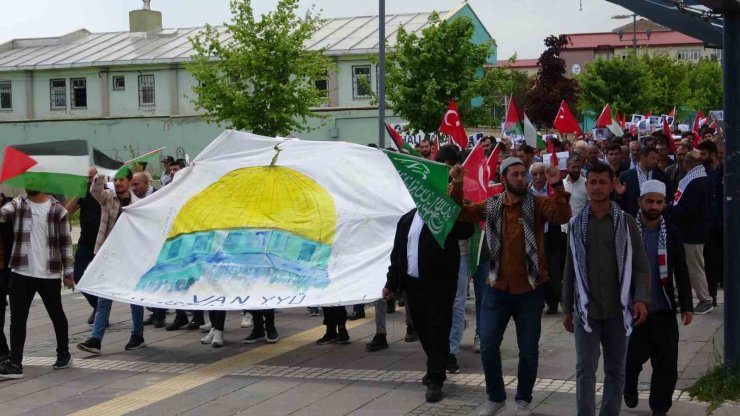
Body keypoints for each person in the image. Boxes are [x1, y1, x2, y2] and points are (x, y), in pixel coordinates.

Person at [449, 157, 571, 415]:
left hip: (530, 290)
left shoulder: (538, 204)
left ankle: (523, 400)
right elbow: (460, 211)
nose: (520, 178)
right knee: (489, 345)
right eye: (514, 174)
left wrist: (556, 184)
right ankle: (496, 397)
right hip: (496, 288)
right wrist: (457, 183)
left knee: (528, 349)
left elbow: (562, 215)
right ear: (504, 179)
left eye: (522, 174)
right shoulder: (492, 205)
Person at [562, 162, 650, 416]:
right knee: (584, 370)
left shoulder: (627, 223)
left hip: (618, 310)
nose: (598, 187)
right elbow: (571, 269)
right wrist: (567, 308)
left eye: (603, 182)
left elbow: (642, 267)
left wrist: (641, 299)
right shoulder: (576, 224)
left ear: (612, 185)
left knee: (615, 370)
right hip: (586, 311)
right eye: (593, 182)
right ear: (587, 186)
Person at [382, 205, 473, 403]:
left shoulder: (445, 215)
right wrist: (391, 283)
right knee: (422, 329)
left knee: (437, 330)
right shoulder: (407, 219)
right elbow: (398, 252)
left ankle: (436, 378)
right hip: (413, 285)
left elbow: (467, 231)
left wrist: (455, 204)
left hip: (440, 285)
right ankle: (435, 365)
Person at [624, 180, 693, 416]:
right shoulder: (627, 230)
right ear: (640, 202)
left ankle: (660, 407)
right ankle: (629, 385)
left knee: (666, 364)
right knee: (632, 359)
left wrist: (687, 306)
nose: (654, 206)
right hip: (633, 309)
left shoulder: (671, 233)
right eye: (650, 201)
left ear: (665, 204)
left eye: (659, 202)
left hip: (662, 306)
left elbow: (681, 270)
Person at [0, 188, 75, 378]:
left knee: (56, 313)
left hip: (48, 273)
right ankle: (15, 363)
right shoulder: (19, 204)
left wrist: (68, 272)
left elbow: (65, 243)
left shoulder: (58, 211)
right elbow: (2, 214)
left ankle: (63, 353)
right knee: (17, 319)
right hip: (21, 271)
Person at [77, 170, 145, 355]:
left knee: (134, 297)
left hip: (130, 256)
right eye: (116, 179)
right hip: (109, 254)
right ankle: (95, 340)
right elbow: (95, 190)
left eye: (122, 179)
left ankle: (137, 335)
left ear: (129, 181)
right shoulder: (108, 198)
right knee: (103, 296)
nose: (119, 183)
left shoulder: (138, 204)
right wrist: (101, 173)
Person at [670, 150, 712, 314]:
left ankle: (705, 299)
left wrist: (672, 210)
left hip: (692, 232)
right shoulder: (702, 179)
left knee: (695, 267)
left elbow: (687, 209)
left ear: (686, 165)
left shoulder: (693, 182)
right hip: (694, 230)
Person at [63, 167, 101, 324]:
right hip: (85, 241)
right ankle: (98, 307)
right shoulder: (83, 193)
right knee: (78, 275)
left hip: (103, 242)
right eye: (86, 177)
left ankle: (101, 312)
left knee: (101, 279)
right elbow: (66, 212)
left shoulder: (106, 192)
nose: (89, 180)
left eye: (91, 177)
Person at [697, 140, 723, 308]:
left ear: (713, 154)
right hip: (709, 225)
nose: (701, 157)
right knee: (710, 261)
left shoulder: (727, 172)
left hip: (726, 225)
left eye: (704, 154)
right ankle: (711, 294)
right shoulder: (700, 174)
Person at [615, 146, 673, 217]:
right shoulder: (625, 176)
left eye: (657, 159)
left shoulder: (662, 176)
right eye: (653, 158)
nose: (656, 161)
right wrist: (619, 195)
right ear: (643, 157)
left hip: (655, 217)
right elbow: (620, 202)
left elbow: (669, 197)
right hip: (632, 218)